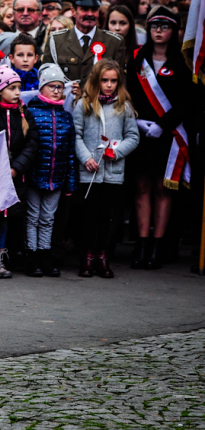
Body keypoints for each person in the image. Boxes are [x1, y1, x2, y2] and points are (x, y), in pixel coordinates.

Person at [126, 6, 196, 270]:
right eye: (154, 26)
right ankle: (142, 244)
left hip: (170, 135)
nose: (158, 31)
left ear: (174, 31)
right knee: (141, 188)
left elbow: (187, 101)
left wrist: (163, 125)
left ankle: (157, 246)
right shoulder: (136, 59)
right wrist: (136, 119)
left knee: (163, 188)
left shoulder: (183, 62)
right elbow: (129, 93)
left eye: (164, 26)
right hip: (141, 133)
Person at [73, 59, 139, 278]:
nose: (109, 85)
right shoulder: (84, 104)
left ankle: (103, 255)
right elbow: (76, 135)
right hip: (89, 172)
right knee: (88, 216)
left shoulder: (124, 105)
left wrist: (117, 152)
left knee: (107, 216)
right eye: (104, 80)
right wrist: (86, 158)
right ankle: (87, 256)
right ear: (96, 80)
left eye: (113, 81)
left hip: (113, 173)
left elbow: (133, 136)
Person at [0, 64, 39, 279]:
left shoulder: (24, 112)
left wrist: (16, 167)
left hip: (14, 176)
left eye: (19, 87)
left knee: (6, 217)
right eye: (12, 88)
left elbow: (32, 142)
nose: (18, 93)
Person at [25, 64, 77, 277]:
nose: (57, 90)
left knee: (48, 218)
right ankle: (32, 257)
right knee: (32, 216)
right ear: (42, 87)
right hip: (34, 176)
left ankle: (46, 255)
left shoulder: (66, 117)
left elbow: (71, 152)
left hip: (56, 178)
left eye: (60, 87)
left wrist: (71, 181)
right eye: (52, 86)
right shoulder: (31, 113)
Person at [42, 0, 125, 90]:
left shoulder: (114, 42)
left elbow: (120, 83)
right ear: (73, 11)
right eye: (84, 9)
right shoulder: (57, 41)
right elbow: (47, 80)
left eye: (94, 9)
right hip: (66, 104)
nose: (90, 14)